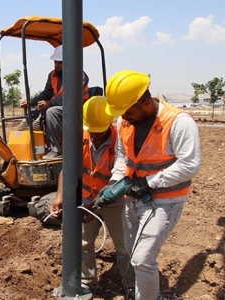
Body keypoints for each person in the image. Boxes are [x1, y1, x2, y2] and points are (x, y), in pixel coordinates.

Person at [92, 70, 202, 300]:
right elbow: (123, 158)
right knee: (134, 255)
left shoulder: (177, 122)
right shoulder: (126, 120)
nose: (124, 117)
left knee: (142, 259)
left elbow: (190, 165)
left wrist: (149, 182)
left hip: (165, 201)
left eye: (128, 111)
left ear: (145, 103)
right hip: (133, 198)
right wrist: (114, 183)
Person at [49, 96, 135, 294]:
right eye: (91, 132)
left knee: (124, 247)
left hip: (116, 202)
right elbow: (67, 169)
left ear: (109, 124)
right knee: (82, 243)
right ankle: (87, 281)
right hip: (87, 199)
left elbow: (123, 179)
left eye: (99, 132)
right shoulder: (80, 138)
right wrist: (60, 196)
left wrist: (94, 207)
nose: (94, 136)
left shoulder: (121, 143)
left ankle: (131, 285)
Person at [19, 45, 90, 160]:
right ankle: (34, 149)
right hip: (61, 107)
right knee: (34, 114)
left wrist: (49, 104)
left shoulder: (79, 75)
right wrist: (30, 101)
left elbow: (72, 97)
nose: (57, 65)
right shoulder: (53, 75)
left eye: (60, 62)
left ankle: (55, 150)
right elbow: (46, 93)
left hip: (78, 108)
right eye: (55, 62)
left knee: (51, 111)